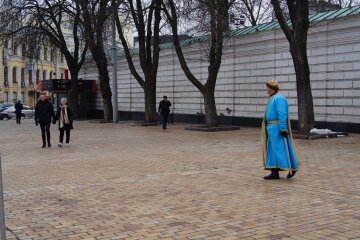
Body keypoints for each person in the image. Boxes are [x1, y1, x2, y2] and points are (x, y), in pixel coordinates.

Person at [261, 80, 298, 180]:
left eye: (267, 87)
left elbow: (282, 113)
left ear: (271, 88)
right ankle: (274, 172)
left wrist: (283, 128)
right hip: (271, 128)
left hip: (276, 127)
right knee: (272, 149)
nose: (266, 89)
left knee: (280, 149)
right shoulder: (273, 98)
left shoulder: (279, 98)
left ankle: (292, 167)